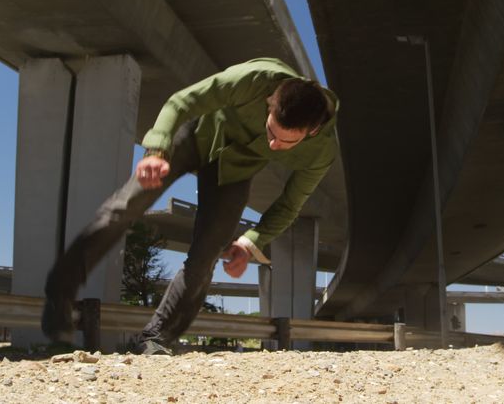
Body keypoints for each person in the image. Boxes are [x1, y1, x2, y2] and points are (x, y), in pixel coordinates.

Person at [41, 57, 339, 354]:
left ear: (311, 132)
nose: (273, 144)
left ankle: (157, 338)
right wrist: (156, 150)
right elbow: (181, 102)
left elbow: (290, 204)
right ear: (269, 102)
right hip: (198, 136)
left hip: (234, 172)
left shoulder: (321, 152)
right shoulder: (255, 79)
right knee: (125, 206)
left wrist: (251, 242)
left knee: (206, 255)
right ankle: (60, 292)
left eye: (287, 141)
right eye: (271, 131)